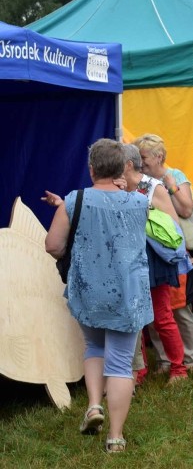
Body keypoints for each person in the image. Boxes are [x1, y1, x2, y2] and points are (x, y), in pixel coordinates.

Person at [44, 139, 152, 454]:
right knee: (120, 363)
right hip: (128, 293)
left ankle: (94, 405)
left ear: (91, 169)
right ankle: (115, 438)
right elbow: (152, 188)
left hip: (88, 288)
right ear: (122, 169)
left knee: (93, 346)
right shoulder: (140, 201)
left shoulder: (73, 200)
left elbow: (52, 245)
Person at [133, 134, 193, 373]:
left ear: (158, 156)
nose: (140, 162)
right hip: (153, 254)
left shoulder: (175, 175)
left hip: (175, 250)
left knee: (179, 308)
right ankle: (165, 359)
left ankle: (191, 358)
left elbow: (185, 209)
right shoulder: (139, 182)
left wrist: (169, 184)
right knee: (157, 311)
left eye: (143, 157)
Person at [122, 144, 187, 384]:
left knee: (161, 316)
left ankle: (179, 369)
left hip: (153, 259)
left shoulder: (152, 186)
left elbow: (173, 222)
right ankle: (139, 371)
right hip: (129, 258)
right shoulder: (117, 187)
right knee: (135, 319)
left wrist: (140, 209)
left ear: (128, 164)